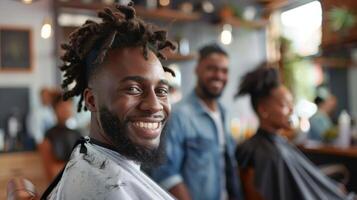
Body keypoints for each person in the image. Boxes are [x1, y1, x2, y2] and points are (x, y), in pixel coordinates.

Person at [41, 3, 176, 199]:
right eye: (133, 89)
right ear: (92, 100)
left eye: (161, 90)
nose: (155, 105)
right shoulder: (107, 191)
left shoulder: (92, 158)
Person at [235, 65, 354, 200]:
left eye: (292, 103)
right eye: (285, 105)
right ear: (263, 110)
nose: (292, 110)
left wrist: (329, 187)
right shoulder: (269, 154)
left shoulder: (272, 144)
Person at [150, 44, 243, 200]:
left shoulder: (224, 114)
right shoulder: (179, 115)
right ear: (197, 69)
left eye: (224, 71)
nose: (219, 75)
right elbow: (166, 173)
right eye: (212, 69)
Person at [40, 93, 82, 180]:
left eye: (69, 106)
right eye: (63, 106)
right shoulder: (49, 135)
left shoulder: (77, 133)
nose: (66, 109)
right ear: (55, 109)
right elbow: (52, 172)